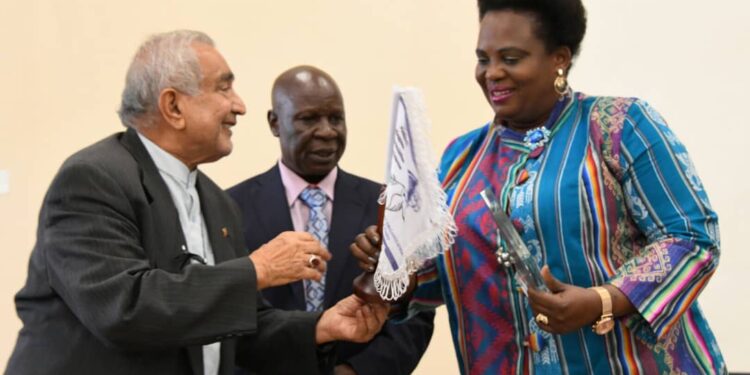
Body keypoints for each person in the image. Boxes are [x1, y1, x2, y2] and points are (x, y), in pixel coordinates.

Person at [351, 0, 727, 373]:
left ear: (559, 59)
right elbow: (444, 280)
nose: (492, 73)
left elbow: (691, 238)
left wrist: (603, 301)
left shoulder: (619, 127)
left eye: (511, 59)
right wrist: (396, 266)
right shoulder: (459, 160)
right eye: (483, 59)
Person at [6, 30, 389, 375]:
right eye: (224, 89)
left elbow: (237, 325)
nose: (239, 106)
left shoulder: (217, 203)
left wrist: (322, 327)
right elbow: (125, 308)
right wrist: (258, 268)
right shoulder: (93, 180)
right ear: (173, 107)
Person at [226, 65, 434, 375]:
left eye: (336, 118)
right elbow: (226, 318)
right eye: (308, 119)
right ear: (274, 122)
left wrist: (354, 372)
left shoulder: (388, 204)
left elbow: (416, 314)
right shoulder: (230, 208)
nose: (327, 131)